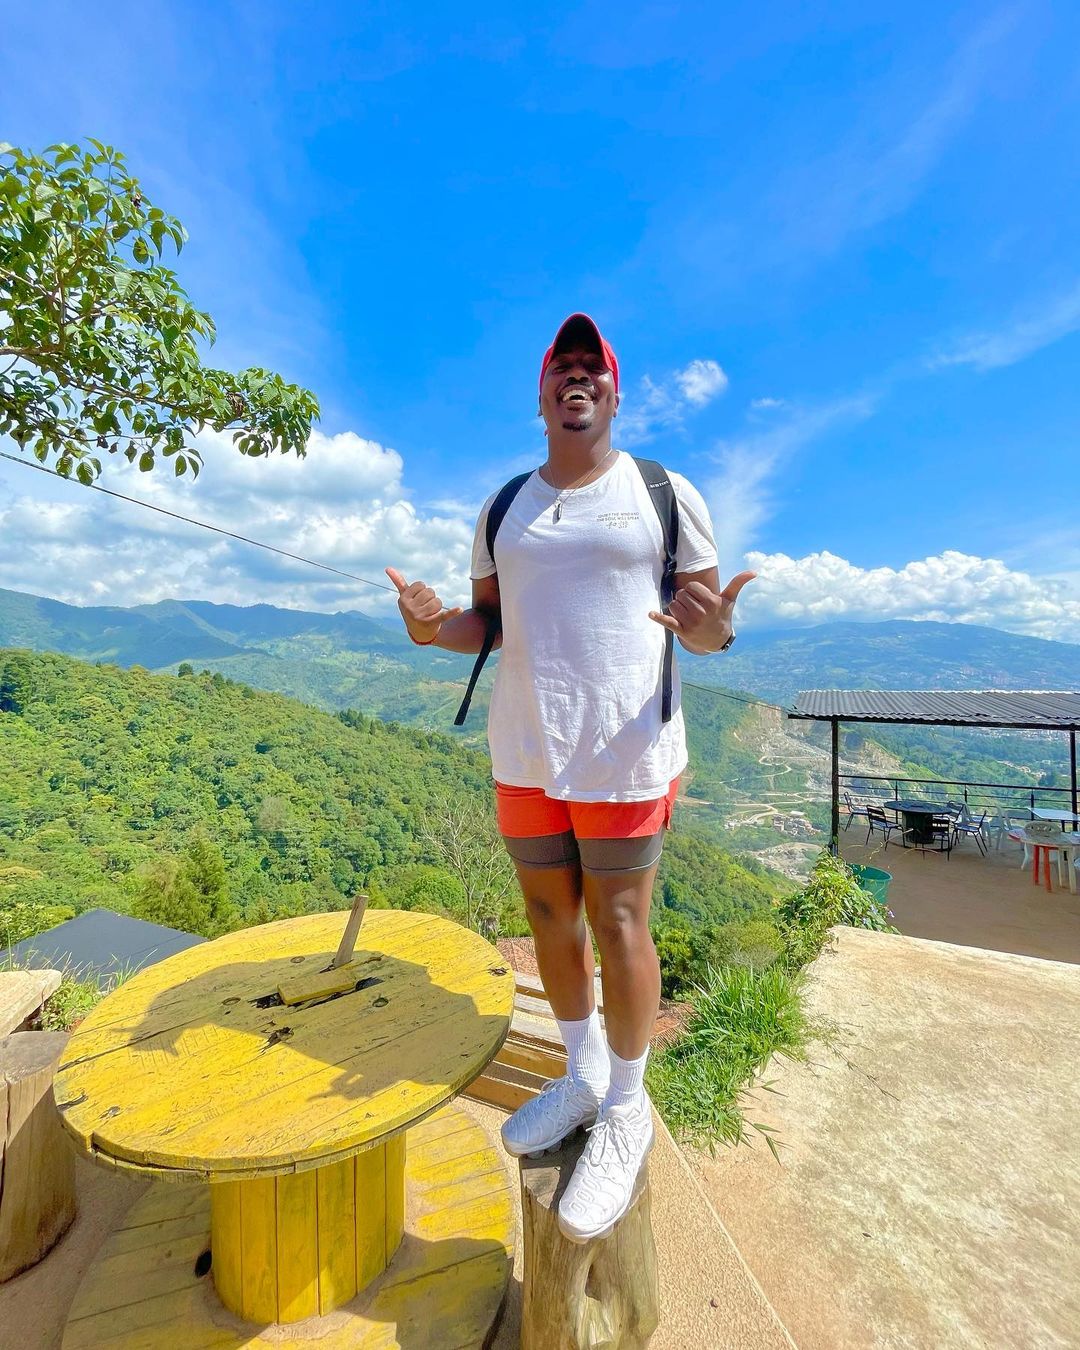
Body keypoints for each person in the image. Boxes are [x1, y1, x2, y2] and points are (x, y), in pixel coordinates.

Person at [386, 313, 753, 1243]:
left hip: (625, 749)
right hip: (526, 746)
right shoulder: (504, 506)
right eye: (564, 365)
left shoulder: (663, 492)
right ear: (543, 393)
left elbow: (705, 624)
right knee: (550, 917)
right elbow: (486, 624)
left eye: (595, 367)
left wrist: (714, 631)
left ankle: (627, 1106)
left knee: (619, 922)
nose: (578, 376)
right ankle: (584, 1074)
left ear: (615, 395)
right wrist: (430, 627)